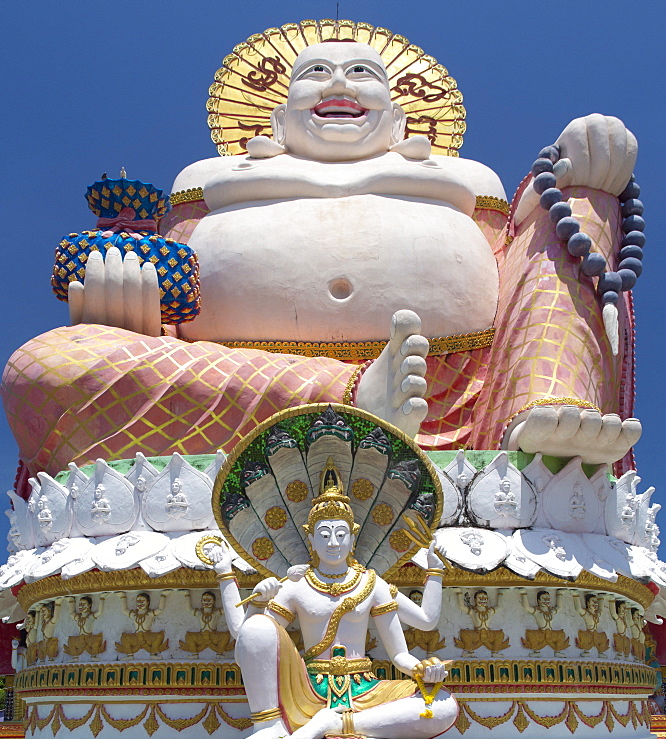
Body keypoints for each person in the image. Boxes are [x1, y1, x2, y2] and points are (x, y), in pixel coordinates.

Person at [2, 38, 640, 482]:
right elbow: (173, 299)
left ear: (397, 118)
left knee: (577, 209)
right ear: (277, 118)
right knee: (43, 369)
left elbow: (515, 269)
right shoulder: (213, 177)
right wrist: (125, 306)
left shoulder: (460, 177)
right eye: (316, 74)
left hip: (452, 396)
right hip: (236, 396)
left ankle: (544, 403)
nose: (339, 81)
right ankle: (354, 398)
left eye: (362, 72)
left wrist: (576, 169)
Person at [209, 481, 458, 739]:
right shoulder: (296, 583)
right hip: (307, 692)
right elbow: (246, 637)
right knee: (258, 625)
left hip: (365, 691)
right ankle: (268, 728)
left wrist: (423, 670)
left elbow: (411, 640)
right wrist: (236, 585)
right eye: (324, 534)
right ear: (310, 539)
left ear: (353, 537)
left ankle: (337, 724)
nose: (333, 543)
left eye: (341, 534)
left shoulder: (371, 583)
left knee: (444, 706)